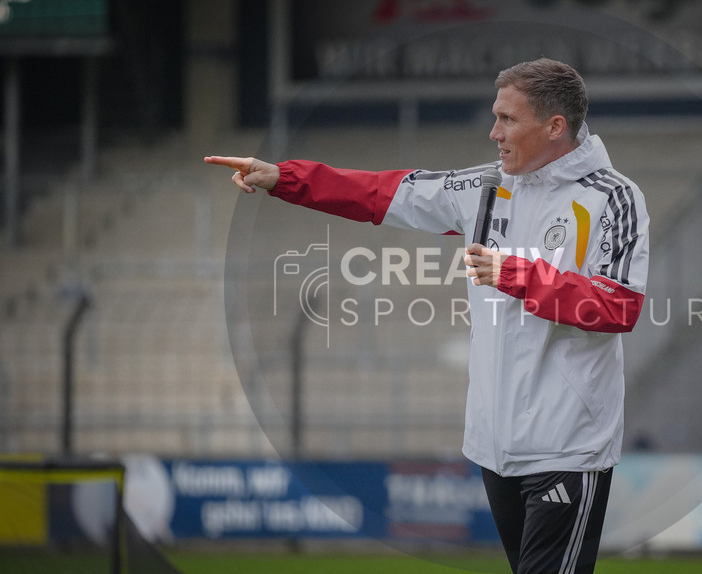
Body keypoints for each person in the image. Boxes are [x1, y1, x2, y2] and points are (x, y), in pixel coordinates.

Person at [206, 58, 649, 574]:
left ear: (554, 126)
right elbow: (381, 193)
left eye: (507, 119)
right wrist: (283, 177)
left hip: (568, 448)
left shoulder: (614, 197)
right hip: (495, 447)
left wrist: (516, 273)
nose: (493, 132)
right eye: (495, 117)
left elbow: (618, 305)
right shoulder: (483, 187)